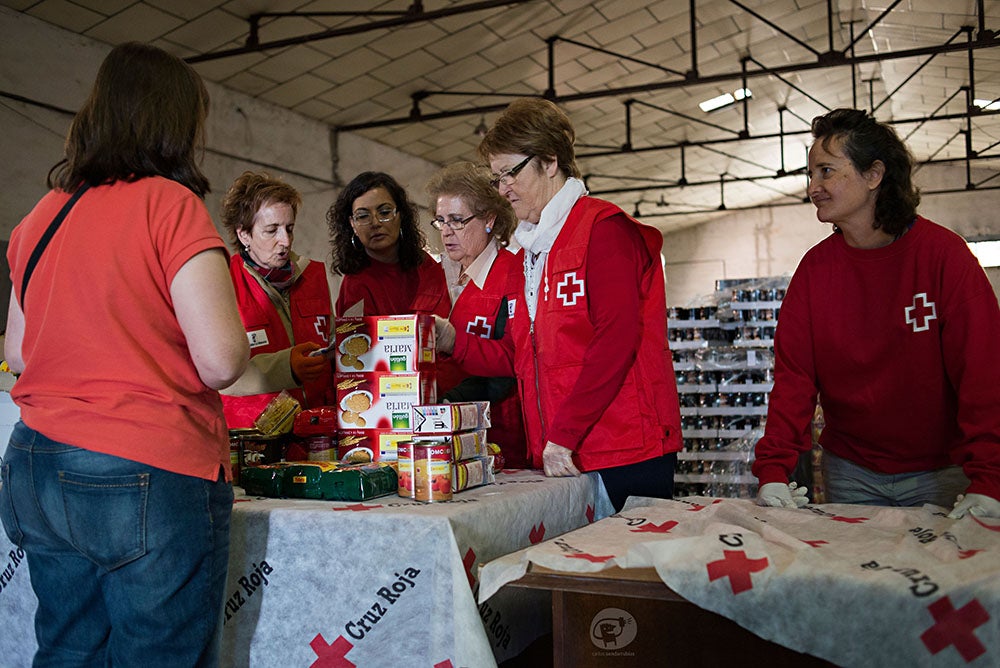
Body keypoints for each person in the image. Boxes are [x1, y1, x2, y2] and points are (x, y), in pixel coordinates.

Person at [0, 42, 249, 666]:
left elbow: (19, 355)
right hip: (141, 464)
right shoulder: (171, 205)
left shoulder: (40, 217)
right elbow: (221, 360)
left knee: (68, 650)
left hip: (37, 462)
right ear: (177, 124)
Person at [435, 97, 682, 512]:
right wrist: (454, 342)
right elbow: (523, 356)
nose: (502, 189)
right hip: (565, 456)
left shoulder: (603, 231)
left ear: (550, 162)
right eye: (497, 178)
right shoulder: (532, 251)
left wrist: (565, 433)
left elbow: (616, 341)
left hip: (622, 450)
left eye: (510, 173)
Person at [753, 108, 1000, 519]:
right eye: (810, 174)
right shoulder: (815, 271)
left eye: (826, 172)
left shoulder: (944, 257)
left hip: (942, 473)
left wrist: (990, 479)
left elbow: (983, 373)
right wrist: (774, 470)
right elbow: (793, 379)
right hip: (851, 471)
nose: (813, 187)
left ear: (874, 175)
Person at [426, 162, 528, 467]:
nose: (446, 232)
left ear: (490, 219)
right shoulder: (433, 276)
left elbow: (511, 364)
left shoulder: (514, 274)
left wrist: (448, 400)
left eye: (457, 221)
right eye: (440, 221)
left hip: (495, 436)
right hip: (436, 431)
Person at [218, 171, 332, 429]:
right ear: (244, 234)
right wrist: (285, 368)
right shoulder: (223, 284)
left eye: (289, 228)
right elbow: (215, 373)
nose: (285, 241)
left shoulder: (312, 276)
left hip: (317, 432)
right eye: (271, 230)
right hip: (255, 440)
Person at [328, 171, 449, 317]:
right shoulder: (354, 287)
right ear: (352, 224)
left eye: (384, 212)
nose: (375, 223)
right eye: (363, 216)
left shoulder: (426, 266)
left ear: (400, 215)